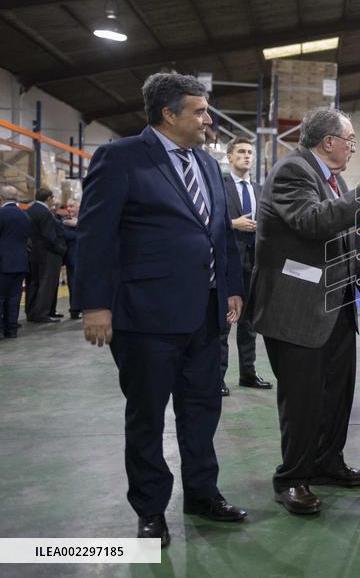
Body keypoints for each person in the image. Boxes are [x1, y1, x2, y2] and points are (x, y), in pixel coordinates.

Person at [75, 72, 248, 547]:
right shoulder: (122, 157)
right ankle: (150, 508)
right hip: (145, 315)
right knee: (148, 416)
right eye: (199, 110)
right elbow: (95, 236)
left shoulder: (209, 166)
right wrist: (94, 306)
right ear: (169, 114)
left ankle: (202, 493)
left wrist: (231, 286)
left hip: (204, 315)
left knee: (202, 411)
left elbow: (221, 233)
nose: (208, 119)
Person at [247, 108, 360, 515]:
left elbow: (347, 236)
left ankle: (327, 463)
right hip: (297, 307)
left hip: (336, 305)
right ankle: (293, 478)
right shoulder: (292, 172)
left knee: (336, 394)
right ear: (328, 141)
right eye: (350, 140)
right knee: (302, 401)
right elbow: (312, 222)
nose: (353, 147)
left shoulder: (335, 179)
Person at [220, 137, 271, 395]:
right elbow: (209, 220)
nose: (247, 156)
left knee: (250, 323)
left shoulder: (261, 190)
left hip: (255, 263)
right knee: (224, 322)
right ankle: (217, 378)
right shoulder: (220, 185)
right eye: (241, 151)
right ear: (230, 156)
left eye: (250, 152)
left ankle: (248, 374)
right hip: (228, 263)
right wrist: (232, 223)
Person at [24, 187, 66, 323]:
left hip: (34, 253)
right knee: (47, 284)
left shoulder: (30, 210)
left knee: (34, 283)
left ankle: (31, 312)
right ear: (48, 198)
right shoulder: (45, 213)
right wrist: (61, 249)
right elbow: (49, 236)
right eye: (52, 198)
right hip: (48, 254)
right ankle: (42, 314)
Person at [0, 186, 32, 338]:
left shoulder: (1, 214)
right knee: (14, 297)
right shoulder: (25, 215)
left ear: (2, 198)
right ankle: (11, 329)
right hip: (20, 262)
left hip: (3, 262)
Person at [59, 198, 81, 320]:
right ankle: (74, 310)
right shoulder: (64, 221)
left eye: (72, 206)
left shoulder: (85, 219)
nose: (69, 209)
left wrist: (78, 225)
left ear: (79, 207)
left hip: (86, 258)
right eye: (68, 206)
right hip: (72, 258)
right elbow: (67, 235)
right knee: (73, 284)